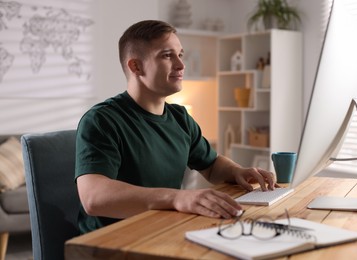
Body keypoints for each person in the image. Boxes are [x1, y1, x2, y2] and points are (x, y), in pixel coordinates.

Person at [75, 20, 276, 234]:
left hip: (163, 231)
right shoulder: (101, 120)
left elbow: (212, 166)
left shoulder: (180, 117)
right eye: (167, 55)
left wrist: (237, 171)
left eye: (180, 55)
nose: (181, 65)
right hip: (110, 243)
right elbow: (94, 198)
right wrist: (177, 197)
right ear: (136, 66)